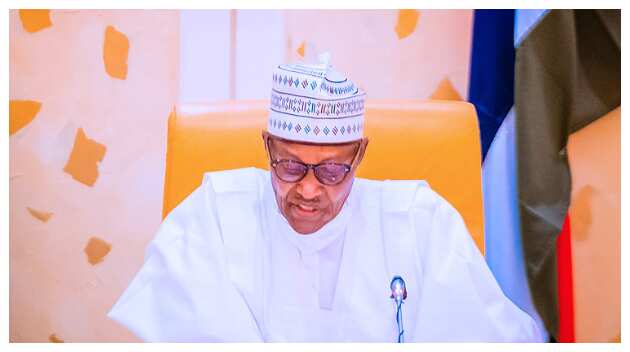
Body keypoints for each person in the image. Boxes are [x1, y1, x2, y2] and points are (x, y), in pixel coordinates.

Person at [108, 61, 542, 342]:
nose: (309, 190)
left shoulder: (417, 218)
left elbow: (478, 333)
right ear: (267, 148)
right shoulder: (214, 212)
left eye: (332, 170)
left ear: (360, 155)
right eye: (290, 166)